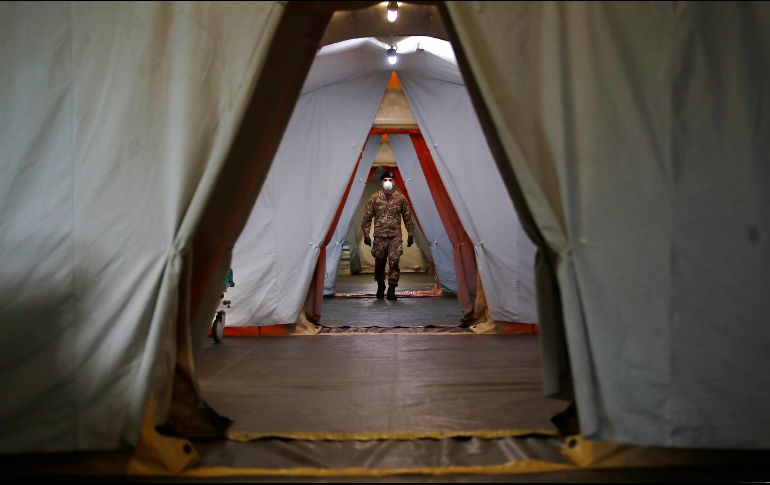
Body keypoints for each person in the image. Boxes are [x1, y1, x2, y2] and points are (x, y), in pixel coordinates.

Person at [361, 170, 415, 300]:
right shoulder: (374, 198)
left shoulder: (401, 198)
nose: (388, 182)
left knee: (394, 261)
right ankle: (380, 285)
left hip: (395, 236)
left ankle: (392, 288)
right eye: (385, 180)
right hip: (379, 237)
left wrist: (410, 234)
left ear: (394, 182)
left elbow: (407, 217)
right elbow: (367, 218)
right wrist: (366, 235)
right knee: (379, 262)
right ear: (381, 182)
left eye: (390, 180)